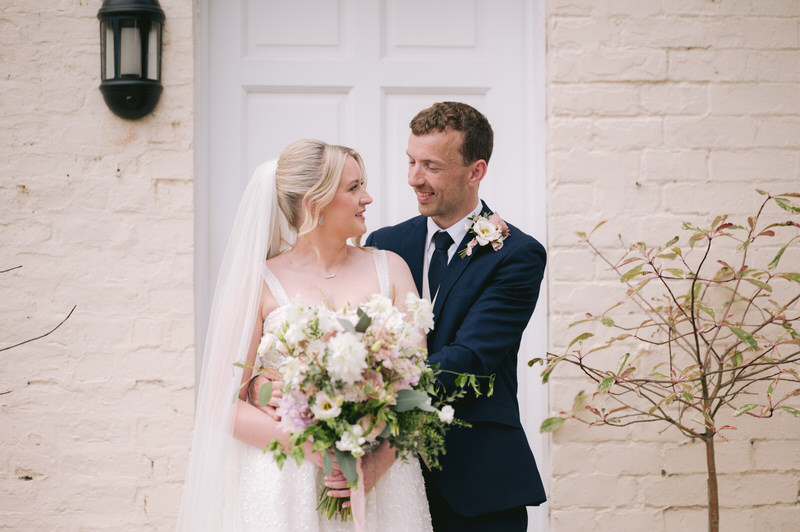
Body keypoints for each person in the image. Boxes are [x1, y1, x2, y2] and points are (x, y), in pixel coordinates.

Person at [176, 139, 433, 531]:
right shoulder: (259, 282)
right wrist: (320, 454)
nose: (368, 198)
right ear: (315, 202)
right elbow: (222, 403)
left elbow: (416, 385)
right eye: (353, 188)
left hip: (382, 478)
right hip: (286, 483)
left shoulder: (391, 269)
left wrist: (369, 465)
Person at [365, 102, 547, 531]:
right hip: (389, 479)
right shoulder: (383, 244)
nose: (414, 178)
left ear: (475, 171)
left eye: (431, 165)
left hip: (478, 481)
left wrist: (370, 396)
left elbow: (471, 356)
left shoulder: (517, 255)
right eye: (411, 161)